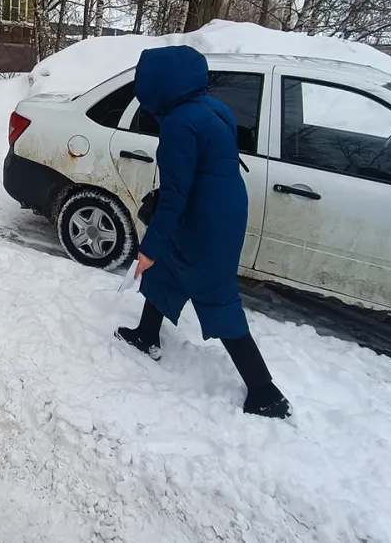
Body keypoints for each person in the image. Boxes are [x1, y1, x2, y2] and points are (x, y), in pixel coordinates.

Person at [114, 45, 291, 419]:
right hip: (221, 205)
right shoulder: (213, 107)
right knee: (167, 271)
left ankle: (264, 390)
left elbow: (176, 196)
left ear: (158, 85)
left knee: (215, 294)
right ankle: (147, 335)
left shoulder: (179, 123)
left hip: (204, 220)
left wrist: (149, 247)